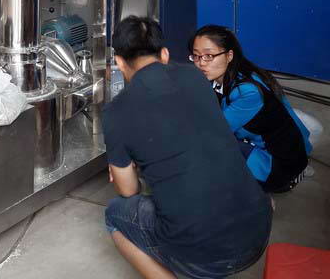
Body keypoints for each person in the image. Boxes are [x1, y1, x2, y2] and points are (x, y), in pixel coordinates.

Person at [103, 16, 272, 279]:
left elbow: (128, 190)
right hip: (259, 233)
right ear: (165, 54)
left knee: (114, 214)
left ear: (119, 62)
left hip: (203, 259)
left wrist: (126, 166)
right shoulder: (194, 76)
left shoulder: (116, 112)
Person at [189, 25, 311, 193]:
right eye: (196, 56)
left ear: (229, 55)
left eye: (209, 56)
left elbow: (212, 130)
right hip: (271, 149)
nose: (201, 63)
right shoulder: (230, 75)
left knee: (207, 147)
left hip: (277, 167)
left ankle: (266, 194)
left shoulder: (247, 91)